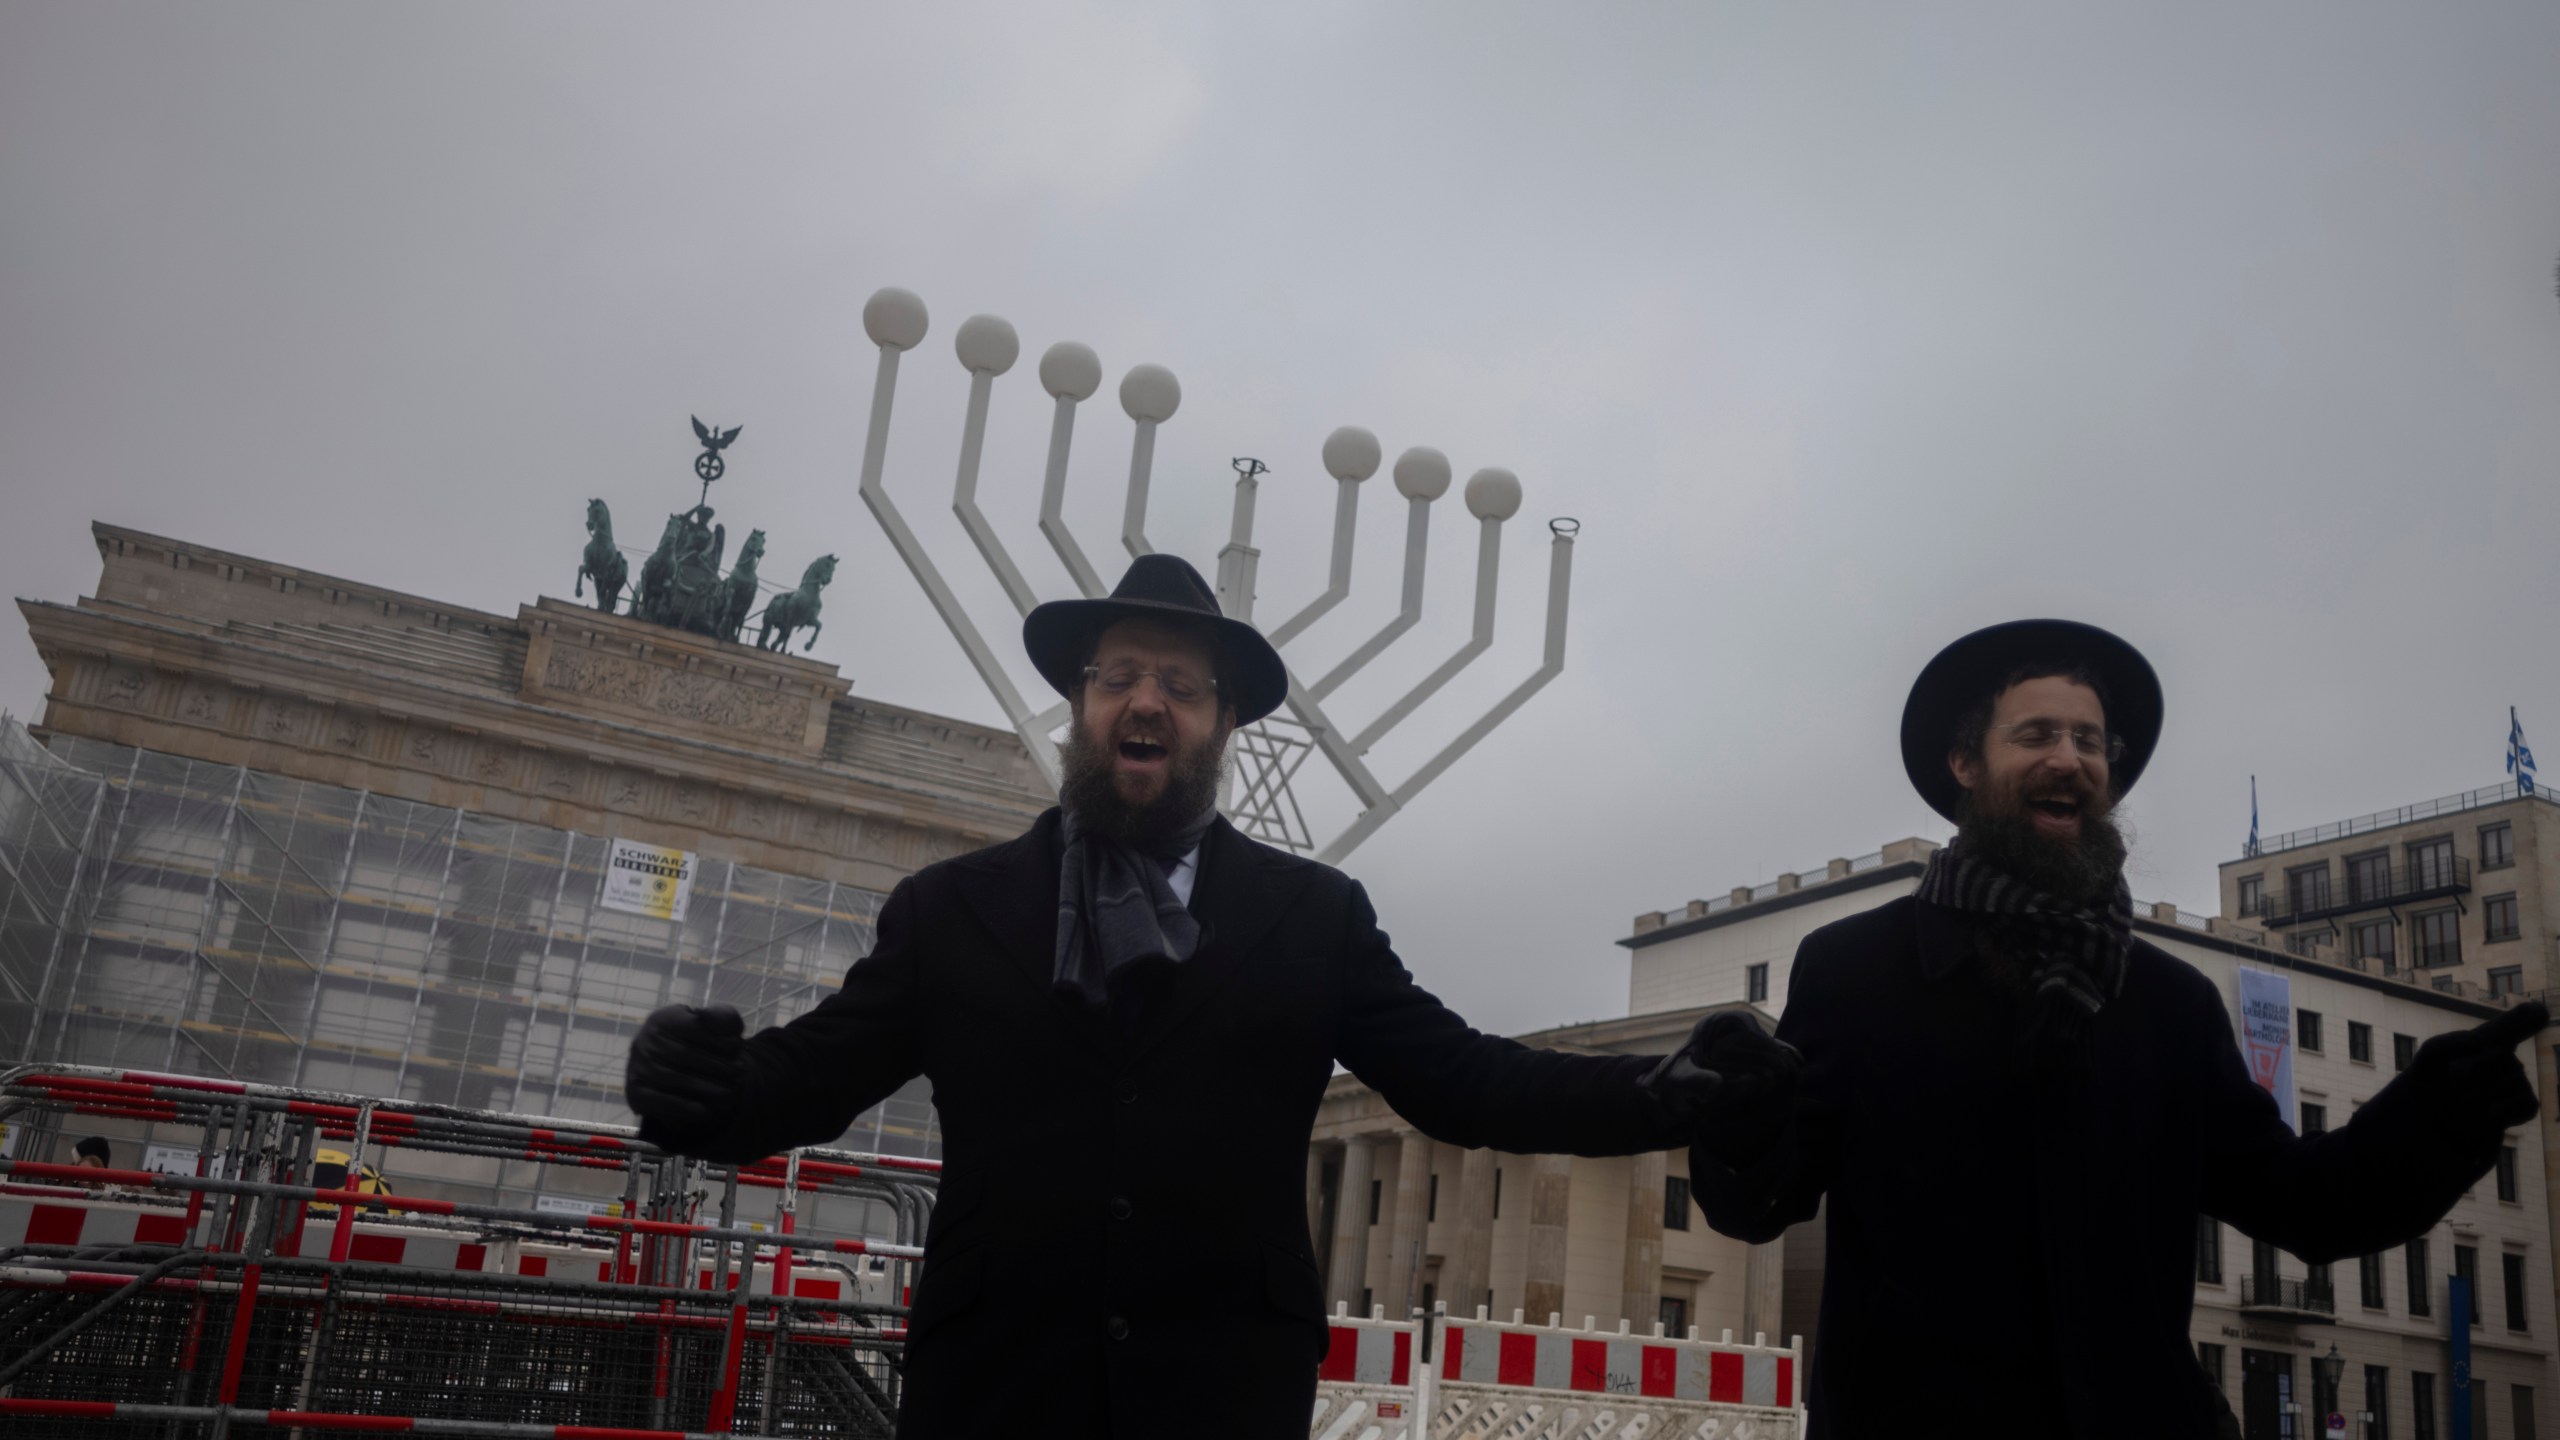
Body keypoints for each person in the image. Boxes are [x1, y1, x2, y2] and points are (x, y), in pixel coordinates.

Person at [624, 554, 1707, 1439]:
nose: (1146, 700)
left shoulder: (1312, 916)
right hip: (997, 1399)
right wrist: (702, 1091)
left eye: (1180, 686)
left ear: (1225, 722)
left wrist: (1660, 1094)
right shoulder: (952, 910)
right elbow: (812, 1074)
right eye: (1118, 677)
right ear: (1080, 705)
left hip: (1221, 1399)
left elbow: (1464, 1080)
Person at [1669, 619, 2544, 1437]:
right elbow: (1765, 1202)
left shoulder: (2169, 1002)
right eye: (2038, 735)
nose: (2070, 759)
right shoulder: (1857, 969)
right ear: (1964, 763)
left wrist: (2439, 1113)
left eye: (2090, 742)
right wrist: (1742, 1115)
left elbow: (2308, 1204)